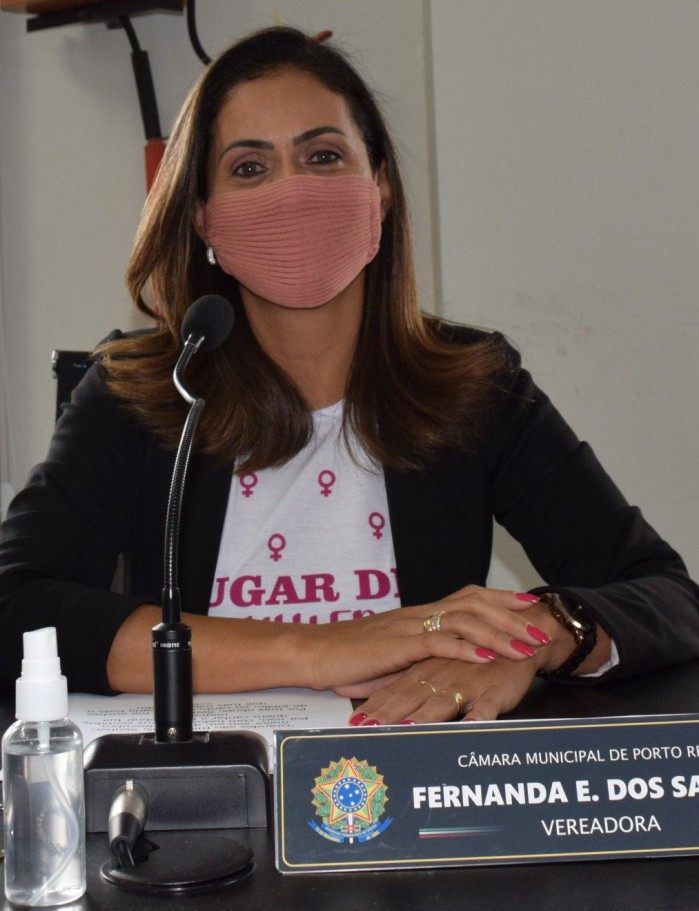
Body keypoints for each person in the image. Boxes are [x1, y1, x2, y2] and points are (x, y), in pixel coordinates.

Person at [0, 27, 697, 727]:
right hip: (211, 781)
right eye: (250, 167)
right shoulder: (143, 391)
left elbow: (665, 596)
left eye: (323, 156)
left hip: (409, 781)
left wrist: (534, 636)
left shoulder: (474, 385)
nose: (292, 192)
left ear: (381, 188)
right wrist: (322, 650)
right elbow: (15, 607)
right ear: (202, 217)